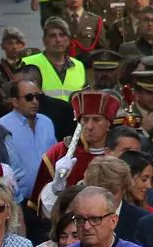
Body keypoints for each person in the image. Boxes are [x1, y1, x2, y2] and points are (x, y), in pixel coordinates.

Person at [31, 89, 120, 222]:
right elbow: (42, 212)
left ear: (108, 123)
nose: (89, 126)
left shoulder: (120, 152)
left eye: (96, 120)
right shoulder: (59, 153)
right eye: (85, 119)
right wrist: (56, 186)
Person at [0, 79, 59, 205]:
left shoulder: (46, 122)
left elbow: (56, 157)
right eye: (29, 98)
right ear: (15, 102)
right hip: (20, 200)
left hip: (49, 198)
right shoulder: (3, 126)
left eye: (38, 97)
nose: (35, 102)